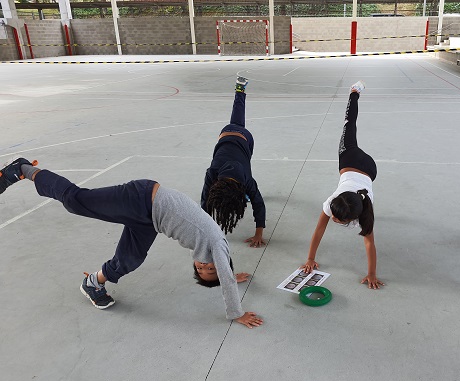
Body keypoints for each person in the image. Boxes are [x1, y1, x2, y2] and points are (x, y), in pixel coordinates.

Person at [0, 157, 263, 328]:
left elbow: (225, 274)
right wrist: (236, 313)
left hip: (150, 220)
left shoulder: (212, 249)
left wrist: (229, 274)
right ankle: (24, 169)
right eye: (211, 268)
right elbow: (225, 277)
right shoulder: (216, 244)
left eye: (201, 270)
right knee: (75, 200)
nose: (204, 265)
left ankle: (93, 283)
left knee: (130, 260)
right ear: (221, 264)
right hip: (142, 199)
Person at [301, 81, 384, 289]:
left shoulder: (364, 215)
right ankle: (354, 92)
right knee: (349, 123)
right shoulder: (333, 203)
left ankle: (354, 92)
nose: (332, 219)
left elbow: (369, 243)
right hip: (359, 162)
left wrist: (372, 274)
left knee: (350, 124)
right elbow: (319, 230)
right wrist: (310, 258)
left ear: (352, 219)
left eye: (336, 220)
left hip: (361, 164)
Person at [201, 76, 266, 248]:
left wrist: (259, 233)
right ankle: (240, 90)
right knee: (237, 125)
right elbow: (206, 201)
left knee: (238, 131)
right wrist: (258, 233)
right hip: (232, 135)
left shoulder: (219, 174)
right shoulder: (217, 173)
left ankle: (240, 91)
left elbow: (204, 202)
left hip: (241, 138)